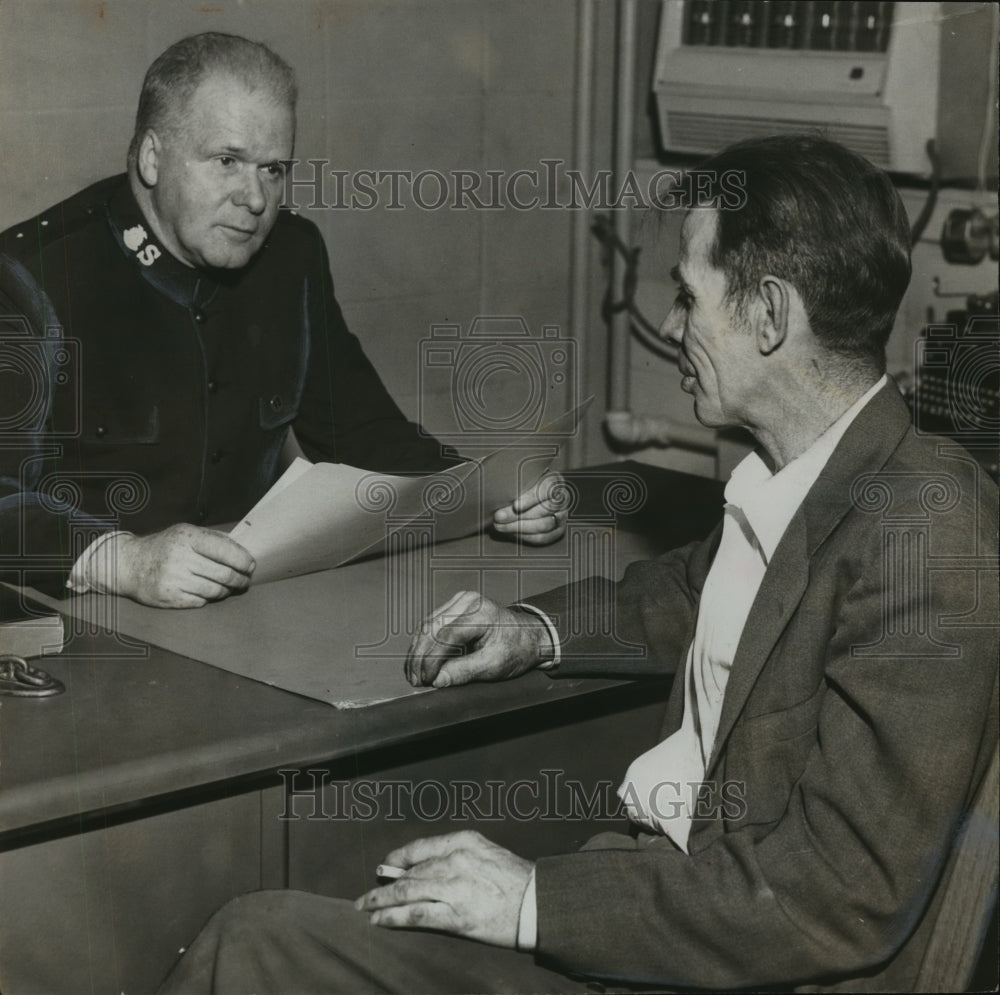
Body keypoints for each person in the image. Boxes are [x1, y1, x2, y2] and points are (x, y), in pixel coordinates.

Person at [158, 134, 998, 993]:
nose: (670, 327)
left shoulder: (926, 533)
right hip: (660, 916)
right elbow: (696, 593)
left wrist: (532, 897)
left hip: (728, 964)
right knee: (279, 932)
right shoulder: (817, 473)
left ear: (771, 316)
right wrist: (533, 631)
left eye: (688, 296)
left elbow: (839, 896)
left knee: (255, 947)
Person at [0, 32, 565, 610]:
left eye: (273, 169)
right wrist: (122, 561)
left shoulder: (291, 257)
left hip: (244, 611)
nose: (255, 198)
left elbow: (365, 434)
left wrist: (492, 494)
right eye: (227, 161)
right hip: (72, 617)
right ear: (152, 157)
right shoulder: (31, 274)